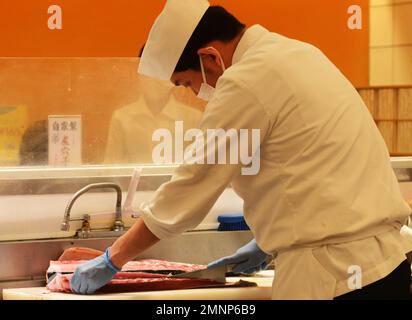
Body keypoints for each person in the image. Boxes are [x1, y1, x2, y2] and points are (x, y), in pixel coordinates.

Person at [70, 0, 412, 299]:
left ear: (210, 57)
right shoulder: (298, 53)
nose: (193, 93)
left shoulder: (245, 80)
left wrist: (113, 258)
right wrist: (269, 239)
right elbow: (315, 163)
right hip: (386, 265)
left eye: (186, 83)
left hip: (332, 274)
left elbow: (190, 188)